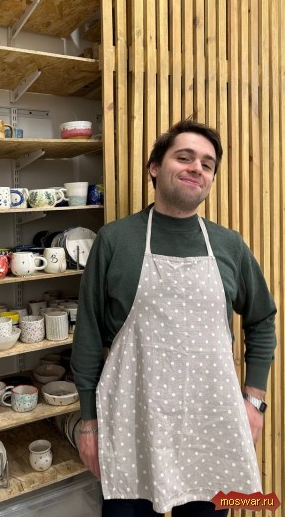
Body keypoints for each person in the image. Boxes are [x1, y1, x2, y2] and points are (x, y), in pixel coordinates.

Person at [71, 119, 276, 517]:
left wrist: (254, 401)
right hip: (133, 422)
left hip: (209, 426)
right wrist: (89, 423)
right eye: (184, 157)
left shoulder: (229, 245)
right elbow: (89, 337)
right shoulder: (115, 240)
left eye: (207, 164)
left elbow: (262, 319)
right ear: (154, 167)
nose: (197, 167)